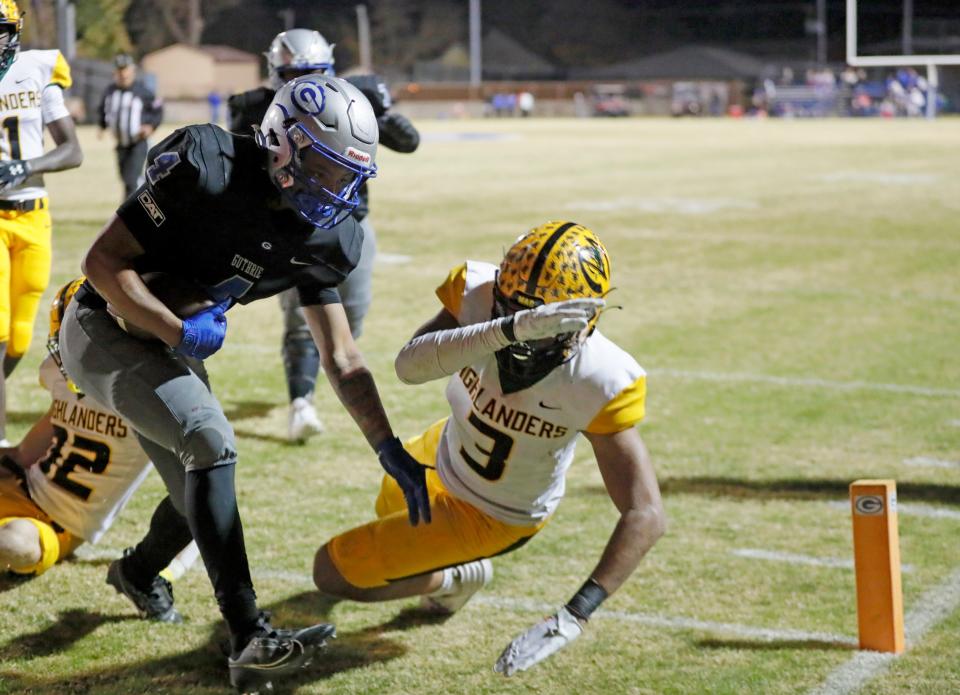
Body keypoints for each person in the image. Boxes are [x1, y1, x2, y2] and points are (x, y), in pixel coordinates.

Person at [59, 74, 431, 693]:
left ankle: (136, 572)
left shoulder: (330, 237)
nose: (334, 188)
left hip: (168, 342)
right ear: (284, 142)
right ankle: (249, 635)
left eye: (347, 176)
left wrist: (387, 447)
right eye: (324, 167)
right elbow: (101, 264)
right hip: (105, 326)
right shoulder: (207, 166)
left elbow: (340, 354)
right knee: (209, 441)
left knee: (196, 499)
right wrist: (176, 329)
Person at [312, 221, 666, 676]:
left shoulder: (598, 378)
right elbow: (409, 366)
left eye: (542, 325)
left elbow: (646, 513)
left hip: (494, 511)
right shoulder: (479, 295)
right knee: (387, 510)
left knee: (333, 572)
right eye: (510, 308)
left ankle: (458, 575)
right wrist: (510, 327)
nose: (525, 336)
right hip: (440, 450)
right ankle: (451, 578)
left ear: (579, 320)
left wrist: (574, 615)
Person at [228, 28, 420, 442]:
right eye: (296, 72)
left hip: (349, 222)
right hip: (292, 226)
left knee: (352, 318)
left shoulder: (350, 97)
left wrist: (381, 113)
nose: (306, 82)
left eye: (315, 71)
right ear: (275, 72)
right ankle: (302, 403)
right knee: (301, 318)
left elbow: (409, 142)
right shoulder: (257, 108)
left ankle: (320, 378)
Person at [0, 278, 197, 623]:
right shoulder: (60, 376)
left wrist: (166, 570)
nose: (65, 352)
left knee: (15, 544)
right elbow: (31, 447)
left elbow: (200, 499)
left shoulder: (147, 399)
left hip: (53, 523)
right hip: (21, 486)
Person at [0, 0, 83, 446]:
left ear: (14, 31)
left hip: (33, 217)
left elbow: (73, 150)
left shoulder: (36, 70)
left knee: (17, 338)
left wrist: (24, 166)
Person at [98, 53, 163, 199]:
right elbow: (103, 109)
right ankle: (136, 203)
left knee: (131, 179)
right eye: (120, 70)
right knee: (125, 178)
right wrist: (102, 126)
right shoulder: (110, 91)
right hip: (121, 143)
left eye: (125, 69)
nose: (123, 74)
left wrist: (150, 126)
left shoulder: (142, 91)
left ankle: (129, 212)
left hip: (137, 143)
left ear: (132, 71)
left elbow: (158, 109)